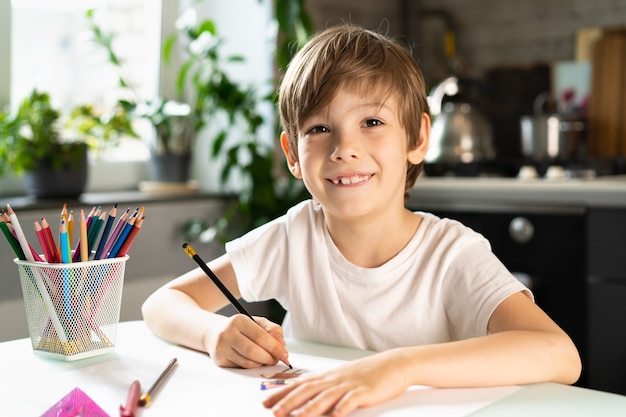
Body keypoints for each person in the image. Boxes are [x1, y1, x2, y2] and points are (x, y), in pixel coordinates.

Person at [142, 23, 582, 417]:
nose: (344, 148)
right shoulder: (295, 235)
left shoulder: (452, 253)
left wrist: (399, 366)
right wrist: (216, 333)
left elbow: (559, 353)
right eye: (319, 129)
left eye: (371, 121)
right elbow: (161, 304)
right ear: (292, 154)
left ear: (418, 138)